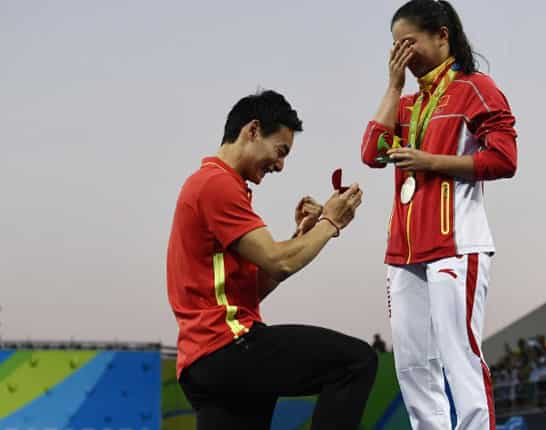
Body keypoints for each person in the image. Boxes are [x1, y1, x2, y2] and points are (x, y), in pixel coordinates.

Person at [167, 90, 376, 429]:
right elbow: (279, 261)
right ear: (252, 130)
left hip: (205, 363)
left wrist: (300, 236)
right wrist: (330, 223)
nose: (280, 165)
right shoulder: (217, 184)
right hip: (229, 345)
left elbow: (257, 285)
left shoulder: (209, 185)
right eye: (281, 151)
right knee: (356, 363)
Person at [360, 1, 518, 428]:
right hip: (404, 251)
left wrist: (433, 162)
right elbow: (371, 155)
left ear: (442, 35)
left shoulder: (475, 88)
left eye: (408, 43)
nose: (402, 55)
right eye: (394, 47)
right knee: (412, 366)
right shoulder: (408, 104)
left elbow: (505, 159)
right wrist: (392, 87)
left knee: (459, 356)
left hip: (456, 243)